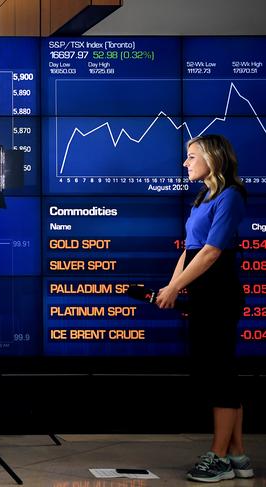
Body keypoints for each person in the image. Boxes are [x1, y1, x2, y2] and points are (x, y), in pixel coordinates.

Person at [156, 134, 253, 482]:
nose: (186, 163)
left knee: (220, 375)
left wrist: (175, 287)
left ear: (213, 159)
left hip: (220, 294)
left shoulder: (231, 196)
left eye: (192, 156)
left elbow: (212, 252)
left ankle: (219, 456)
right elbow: (190, 250)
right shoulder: (202, 197)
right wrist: (171, 286)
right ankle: (237, 454)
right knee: (218, 373)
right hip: (202, 294)